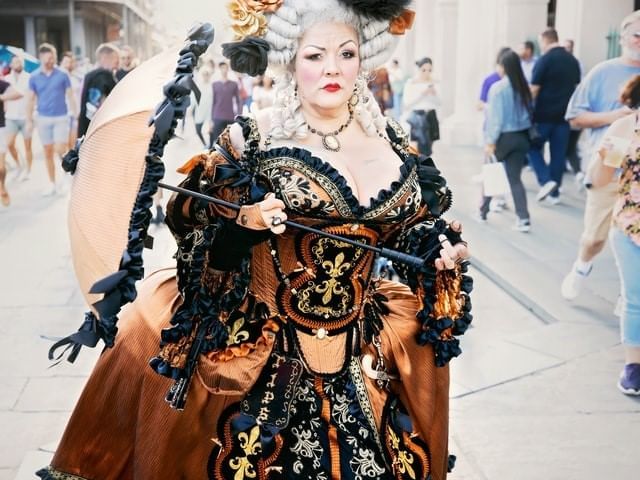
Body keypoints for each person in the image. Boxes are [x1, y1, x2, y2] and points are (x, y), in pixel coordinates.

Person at [38, 1, 472, 479]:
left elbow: (410, 229)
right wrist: (242, 225)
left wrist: (436, 251)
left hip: (363, 351)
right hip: (261, 349)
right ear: (291, 59)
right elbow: (201, 247)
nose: (332, 68)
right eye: (315, 56)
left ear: (363, 59)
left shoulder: (392, 141)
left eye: (346, 53)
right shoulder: (250, 142)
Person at [561, 10, 640, 301]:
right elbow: (574, 117)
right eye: (637, 34)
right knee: (595, 237)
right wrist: (616, 118)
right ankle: (581, 268)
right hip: (610, 170)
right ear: (623, 37)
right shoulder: (603, 72)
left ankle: (629, 296)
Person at [588, 75, 640, 395]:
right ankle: (633, 365)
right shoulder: (624, 128)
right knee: (635, 295)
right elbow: (601, 179)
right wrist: (603, 157)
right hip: (631, 224)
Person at [479, 49, 533, 232]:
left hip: (503, 137)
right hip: (521, 137)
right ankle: (523, 218)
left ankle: (482, 211)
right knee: (514, 178)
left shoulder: (498, 88)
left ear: (503, 66)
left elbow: (496, 119)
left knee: (491, 173)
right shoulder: (524, 87)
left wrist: (490, 142)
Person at [528, 28, 581, 205]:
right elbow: (576, 87)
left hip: (543, 115)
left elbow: (534, 89)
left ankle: (545, 180)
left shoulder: (544, 60)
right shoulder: (573, 60)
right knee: (559, 154)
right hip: (564, 117)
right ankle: (554, 193)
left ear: (545, 40)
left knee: (532, 147)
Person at [26, 43, 77, 196]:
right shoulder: (34, 77)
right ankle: (52, 184)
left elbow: (70, 95)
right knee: (47, 152)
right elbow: (30, 100)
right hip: (43, 119)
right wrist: (29, 120)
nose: (51, 60)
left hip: (61, 117)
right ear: (41, 57)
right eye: (48, 58)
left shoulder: (62, 75)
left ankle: (66, 177)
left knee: (60, 150)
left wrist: (75, 114)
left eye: (53, 57)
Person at [77, 43, 119, 138]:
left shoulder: (89, 75)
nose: (117, 65)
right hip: (99, 129)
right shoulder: (103, 76)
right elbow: (96, 105)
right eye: (116, 61)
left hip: (86, 128)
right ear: (105, 57)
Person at [403, 57, 441, 156]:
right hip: (418, 117)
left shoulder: (435, 82)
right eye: (424, 70)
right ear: (419, 69)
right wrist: (422, 94)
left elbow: (439, 103)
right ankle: (419, 169)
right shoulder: (411, 83)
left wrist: (434, 94)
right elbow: (407, 103)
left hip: (431, 116)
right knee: (419, 149)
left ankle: (426, 169)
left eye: (429, 70)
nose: (427, 73)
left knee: (429, 149)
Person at [4, 54, 33, 182]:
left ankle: (28, 171)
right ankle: (19, 166)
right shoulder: (6, 79)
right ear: (10, 64)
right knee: (9, 144)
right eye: (15, 62)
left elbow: (26, 95)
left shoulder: (29, 77)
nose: (18, 64)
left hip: (25, 116)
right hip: (10, 116)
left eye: (20, 62)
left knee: (28, 146)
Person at [0, 78, 24, 207]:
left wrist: (2, 97)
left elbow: (18, 93)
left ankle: (2, 187)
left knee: (1, 167)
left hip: (0, 127)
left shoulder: (2, 84)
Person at [563, 39, 584, 181]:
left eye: (569, 47)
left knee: (570, 146)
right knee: (569, 146)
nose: (567, 49)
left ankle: (578, 171)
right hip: (567, 111)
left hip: (575, 111)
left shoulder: (577, 64)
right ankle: (576, 171)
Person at [209, 61, 242, 149]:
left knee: (230, 142)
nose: (224, 70)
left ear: (228, 69)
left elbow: (239, 101)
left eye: (225, 68)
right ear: (219, 69)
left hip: (230, 116)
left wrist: (239, 115)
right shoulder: (214, 85)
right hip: (217, 116)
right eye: (222, 68)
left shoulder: (234, 84)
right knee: (216, 141)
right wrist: (211, 120)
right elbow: (213, 102)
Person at [60, 51, 84, 150]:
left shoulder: (78, 77)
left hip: (75, 113)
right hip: (62, 114)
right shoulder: (58, 77)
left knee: (74, 142)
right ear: (61, 62)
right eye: (66, 62)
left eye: (70, 62)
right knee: (62, 144)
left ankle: (71, 162)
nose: (68, 64)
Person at [193, 66, 213, 147]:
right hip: (199, 111)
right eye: (204, 74)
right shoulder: (198, 86)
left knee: (210, 130)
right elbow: (193, 99)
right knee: (198, 130)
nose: (205, 76)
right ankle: (205, 144)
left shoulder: (212, 86)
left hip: (209, 112)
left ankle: (210, 146)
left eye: (207, 74)